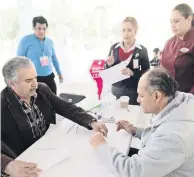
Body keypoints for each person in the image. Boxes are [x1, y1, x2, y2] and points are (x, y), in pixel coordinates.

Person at [1, 57, 108, 177]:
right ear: (12, 83)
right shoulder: (2, 106)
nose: (35, 84)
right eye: (28, 80)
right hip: (26, 163)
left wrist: (91, 121)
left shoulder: (42, 89)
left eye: (35, 77)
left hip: (51, 150)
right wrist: (7, 165)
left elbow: (66, 107)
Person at [90, 67, 194, 177]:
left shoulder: (173, 136)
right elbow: (159, 133)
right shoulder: (180, 100)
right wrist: (136, 131)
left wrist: (101, 146)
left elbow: (133, 171)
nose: (138, 100)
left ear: (157, 96)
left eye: (141, 96)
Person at [104, 17, 150, 105]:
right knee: (115, 114)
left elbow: (146, 74)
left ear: (135, 32)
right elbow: (106, 69)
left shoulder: (142, 50)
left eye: (129, 30)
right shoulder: (114, 48)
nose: (126, 33)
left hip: (133, 90)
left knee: (131, 115)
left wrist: (132, 73)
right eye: (123, 30)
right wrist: (109, 65)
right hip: (115, 89)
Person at [17, 16, 63, 95]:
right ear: (33, 28)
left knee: (53, 103)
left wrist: (59, 73)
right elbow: (18, 60)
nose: (41, 31)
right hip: (34, 79)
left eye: (44, 29)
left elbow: (54, 58)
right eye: (39, 28)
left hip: (49, 77)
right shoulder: (25, 40)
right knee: (37, 104)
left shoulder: (50, 42)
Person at [161, 3, 194, 94]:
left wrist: (189, 99)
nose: (172, 25)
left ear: (189, 19)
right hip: (168, 96)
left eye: (176, 21)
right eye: (171, 22)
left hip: (188, 99)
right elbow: (162, 68)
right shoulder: (169, 42)